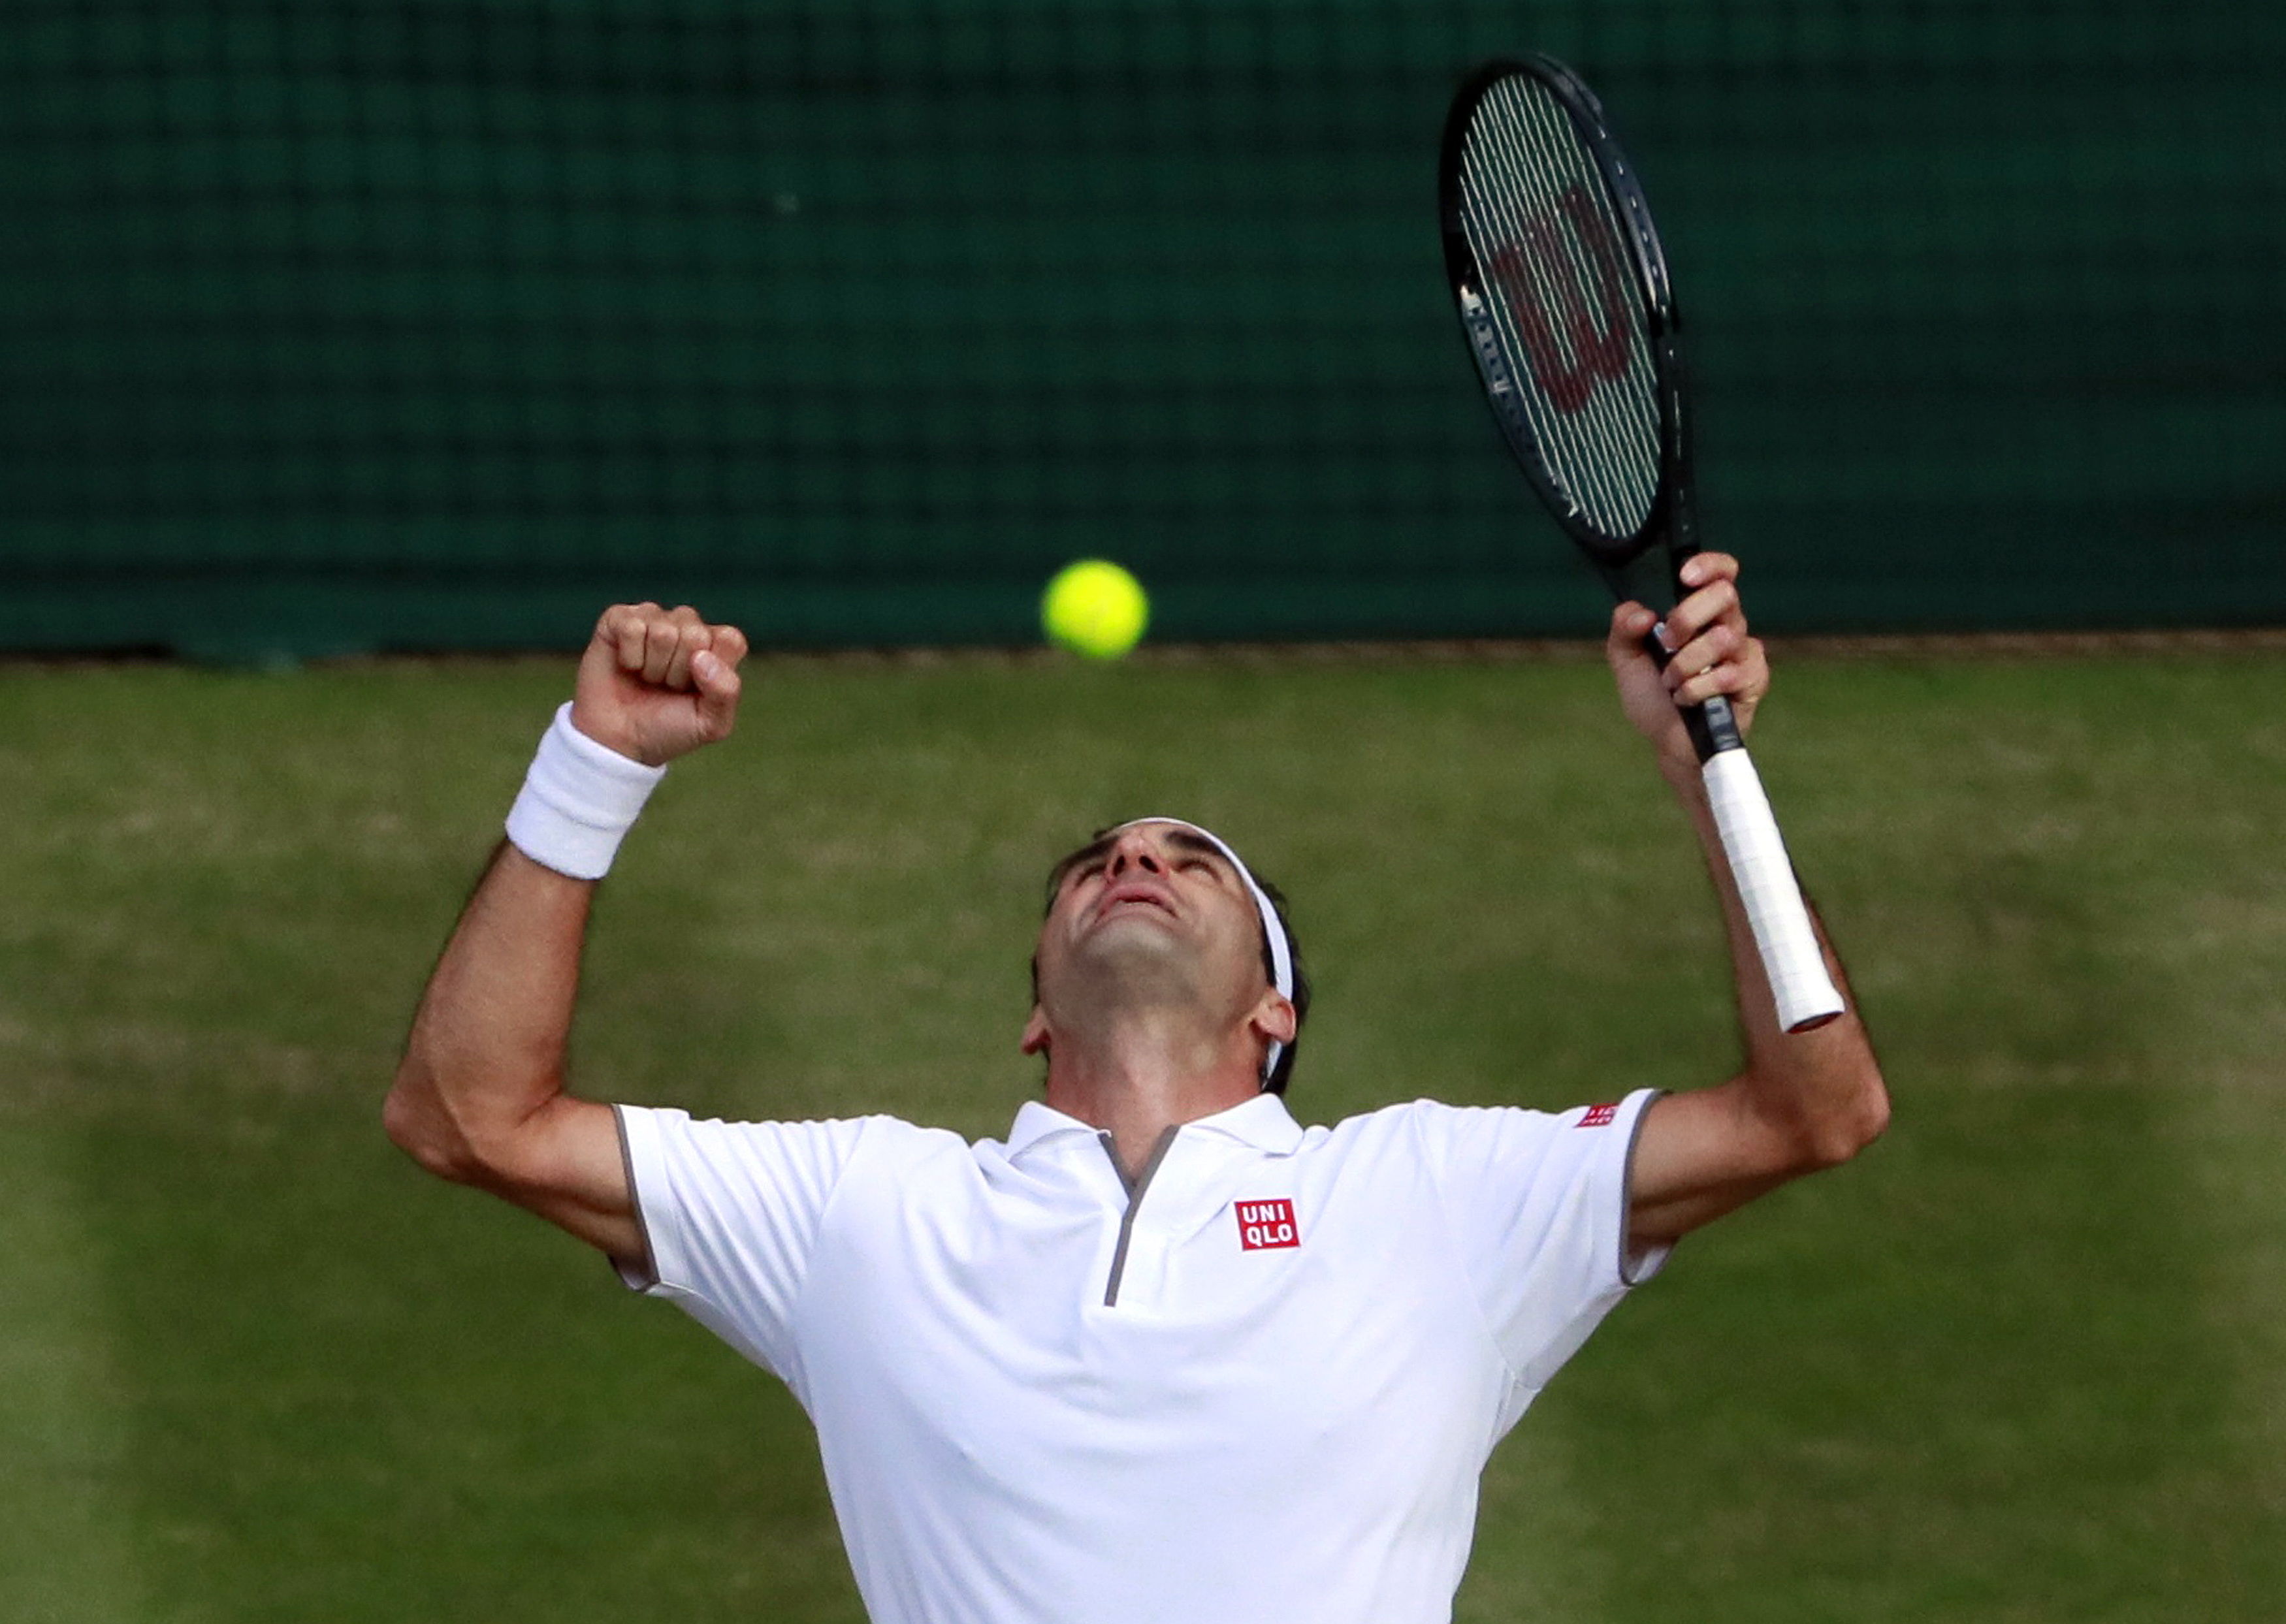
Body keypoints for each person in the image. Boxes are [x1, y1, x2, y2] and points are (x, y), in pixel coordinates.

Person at [385, 560, 1887, 1624]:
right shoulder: (863, 1212)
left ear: (1273, 1007)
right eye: (1098, 857)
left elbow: (1812, 1107)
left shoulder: (1438, 1197)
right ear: (1035, 1013)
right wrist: (595, 761)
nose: (1136, 858)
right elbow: (468, 1115)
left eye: (1192, 857)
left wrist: (1711, 765)